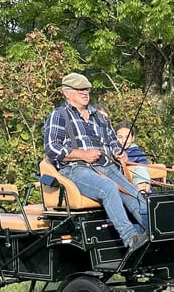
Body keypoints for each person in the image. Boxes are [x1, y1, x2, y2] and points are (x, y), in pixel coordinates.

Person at [43, 72, 149, 251]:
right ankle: (131, 238)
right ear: (66, 93)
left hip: (106, 166)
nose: (85, 92)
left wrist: (118, 153)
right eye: (79, 90)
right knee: (108, 188)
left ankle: (153, 232)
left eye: (86, 89)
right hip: (76, 169)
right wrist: (82, 154)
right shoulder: (59, 115)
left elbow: (113, 142)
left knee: (134, 194)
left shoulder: (99, 117)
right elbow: (51, 148)